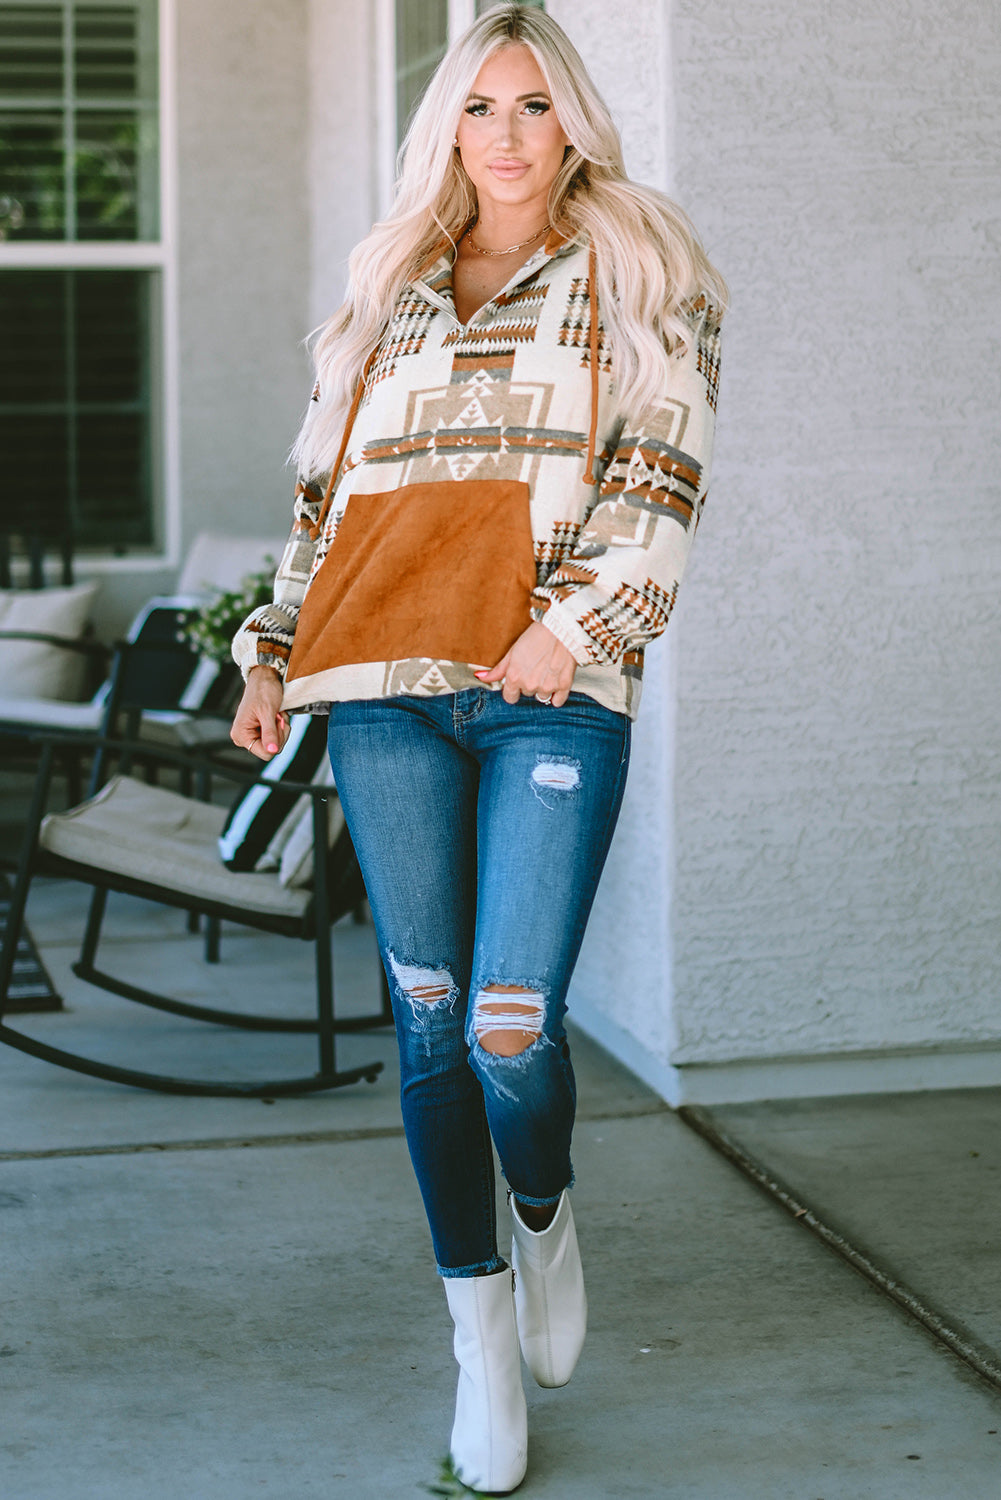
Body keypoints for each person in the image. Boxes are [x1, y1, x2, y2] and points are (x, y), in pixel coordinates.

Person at [230, 4, 725, 1491]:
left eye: (531, 106)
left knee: (513, 1024)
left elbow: (663, 473)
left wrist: (571, 631)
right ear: (442, 126)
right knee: (432, 1016)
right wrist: (270, 651)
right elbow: (323, 506)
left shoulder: (643, 263)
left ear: (571, 117)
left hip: (548, 689)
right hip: (380, 689)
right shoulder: (380, 287)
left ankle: (543, 1208)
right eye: (476, 108)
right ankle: (477, 1342)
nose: (504, 136)